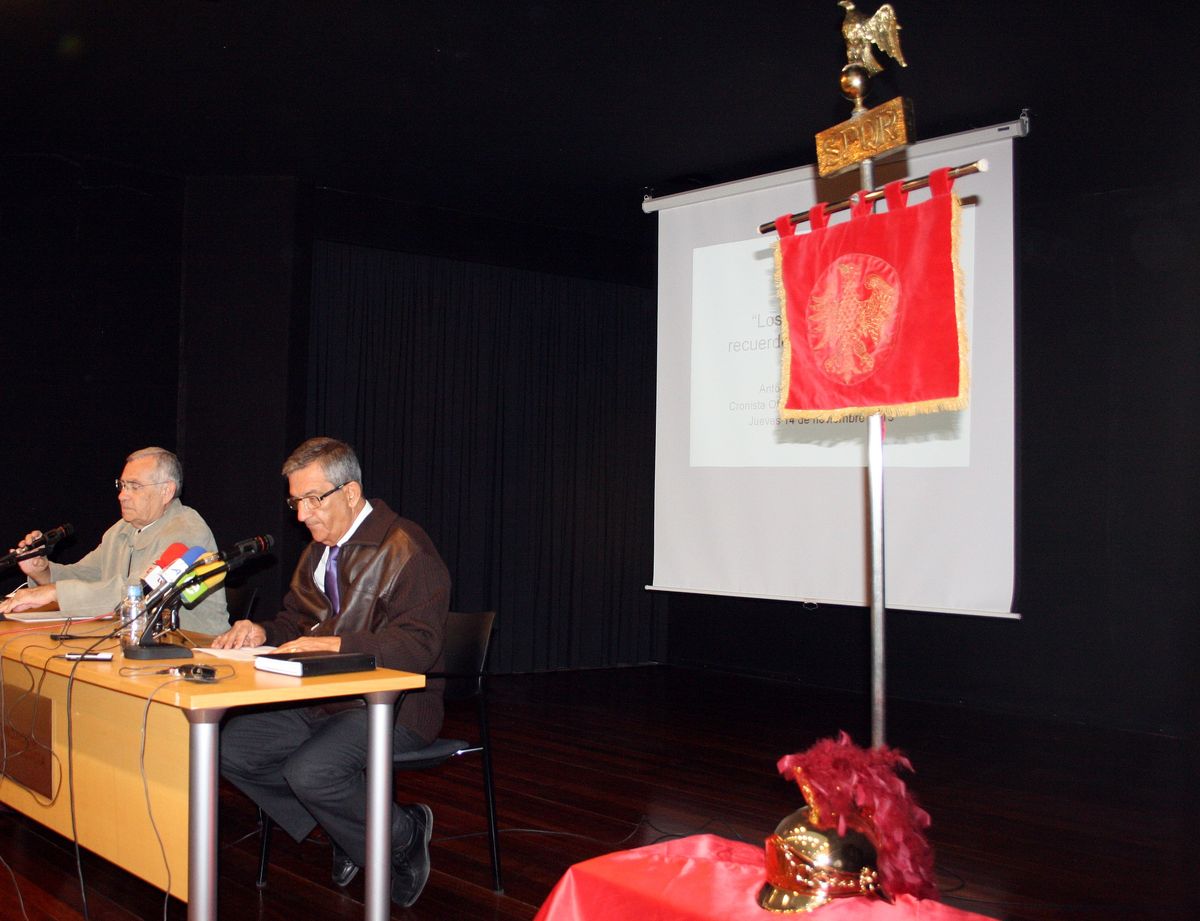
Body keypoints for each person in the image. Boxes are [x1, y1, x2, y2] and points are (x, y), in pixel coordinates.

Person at [214, 436, 449, 908]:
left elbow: (419, 646)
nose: (302, 516)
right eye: (296, 502)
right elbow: (296, 622)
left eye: (312, 499)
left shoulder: (407, 549)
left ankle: (402, 835)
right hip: (324, 697)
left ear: (350, 493)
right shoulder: (319, 551)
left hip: (395, 707)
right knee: (228, 748)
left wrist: (339, 642)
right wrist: (260, 631)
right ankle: (356, 829)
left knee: (312, 770)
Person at [0, 446, 229, 635]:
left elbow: (141, 593)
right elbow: (87, 575)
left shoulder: (187, 532)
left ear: (166, 491)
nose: (122, 495)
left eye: (134, 486)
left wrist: (54, 593)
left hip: (193, 651)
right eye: (122, 485)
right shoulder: (121, 531)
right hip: (133, 645)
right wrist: (42, 571)